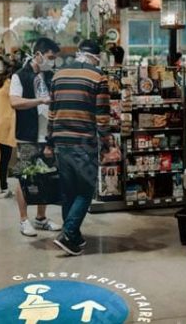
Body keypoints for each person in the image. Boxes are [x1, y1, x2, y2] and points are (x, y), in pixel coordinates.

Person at [46, 39, 110, 256]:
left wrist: (49, 141)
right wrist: (107, 146)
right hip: (84, 143)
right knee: (85, 189)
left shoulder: (58, 75)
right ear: (95, 57)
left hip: (61, 142)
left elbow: (51, 113)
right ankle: (68, 232)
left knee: (68, 192)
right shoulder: (98, 77)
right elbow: (102, 117)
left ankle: (73, 238)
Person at [9, 37, 62, 237]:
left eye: (54, 58)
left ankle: (41, 218)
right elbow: (14, 102)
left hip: (47, 136)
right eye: (49, 57)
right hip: (27, 136)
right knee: (25, 177)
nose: (52, 61)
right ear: (38, 55)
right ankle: (24, 220)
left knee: (46, 177)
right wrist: (40, 100)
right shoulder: (19, 76)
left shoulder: (50, 76)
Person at [0, 62, 17, 199]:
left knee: (4, 157)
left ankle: (3, 186)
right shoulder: (9, 85)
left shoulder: (2, 82)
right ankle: (3, 187)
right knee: (5, 158)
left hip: (0, 123)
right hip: (6, 125)